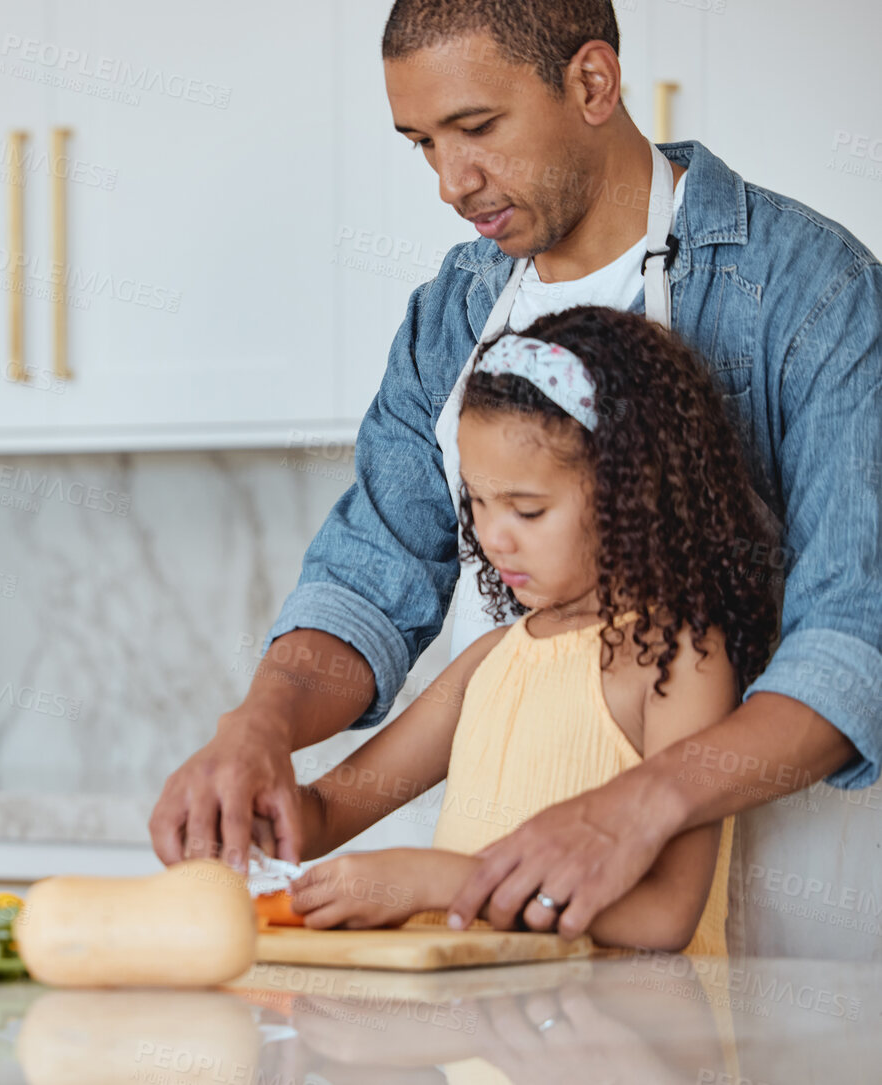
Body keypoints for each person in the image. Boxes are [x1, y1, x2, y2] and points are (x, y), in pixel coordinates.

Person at [152, 0, 882, 939]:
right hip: (516, 917)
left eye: (476, 127)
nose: (451, 183)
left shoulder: (806, 288)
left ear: (590, 82)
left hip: (786, 896)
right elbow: (366, 583)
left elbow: (855, 635)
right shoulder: (450, 311)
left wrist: (632, 807)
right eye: (420, 142)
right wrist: (256, 725)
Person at [285, 306, 775, 954]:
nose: (491, 535)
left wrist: (441, 881)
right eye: (478, 502)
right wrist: (251, 802)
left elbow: (664, 916)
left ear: (633, 490)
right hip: (483, 1045)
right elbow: (325, 812)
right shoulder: (494, 658)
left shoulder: (677, 662)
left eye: (526, 508)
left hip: (628, 1047)